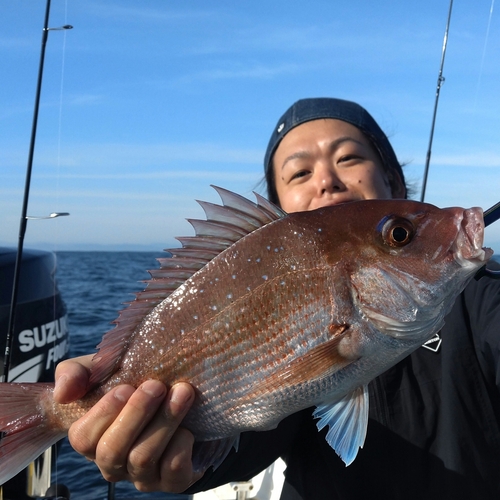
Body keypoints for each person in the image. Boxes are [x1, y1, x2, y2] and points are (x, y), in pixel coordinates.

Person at [54, 98, 500, 499]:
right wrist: (181, 461)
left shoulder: (482, 300)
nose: (326, 179)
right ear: (278, 205)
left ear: (393, 179)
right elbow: (255, 435)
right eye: (300, 172)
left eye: (349, 157)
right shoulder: (277, 291)